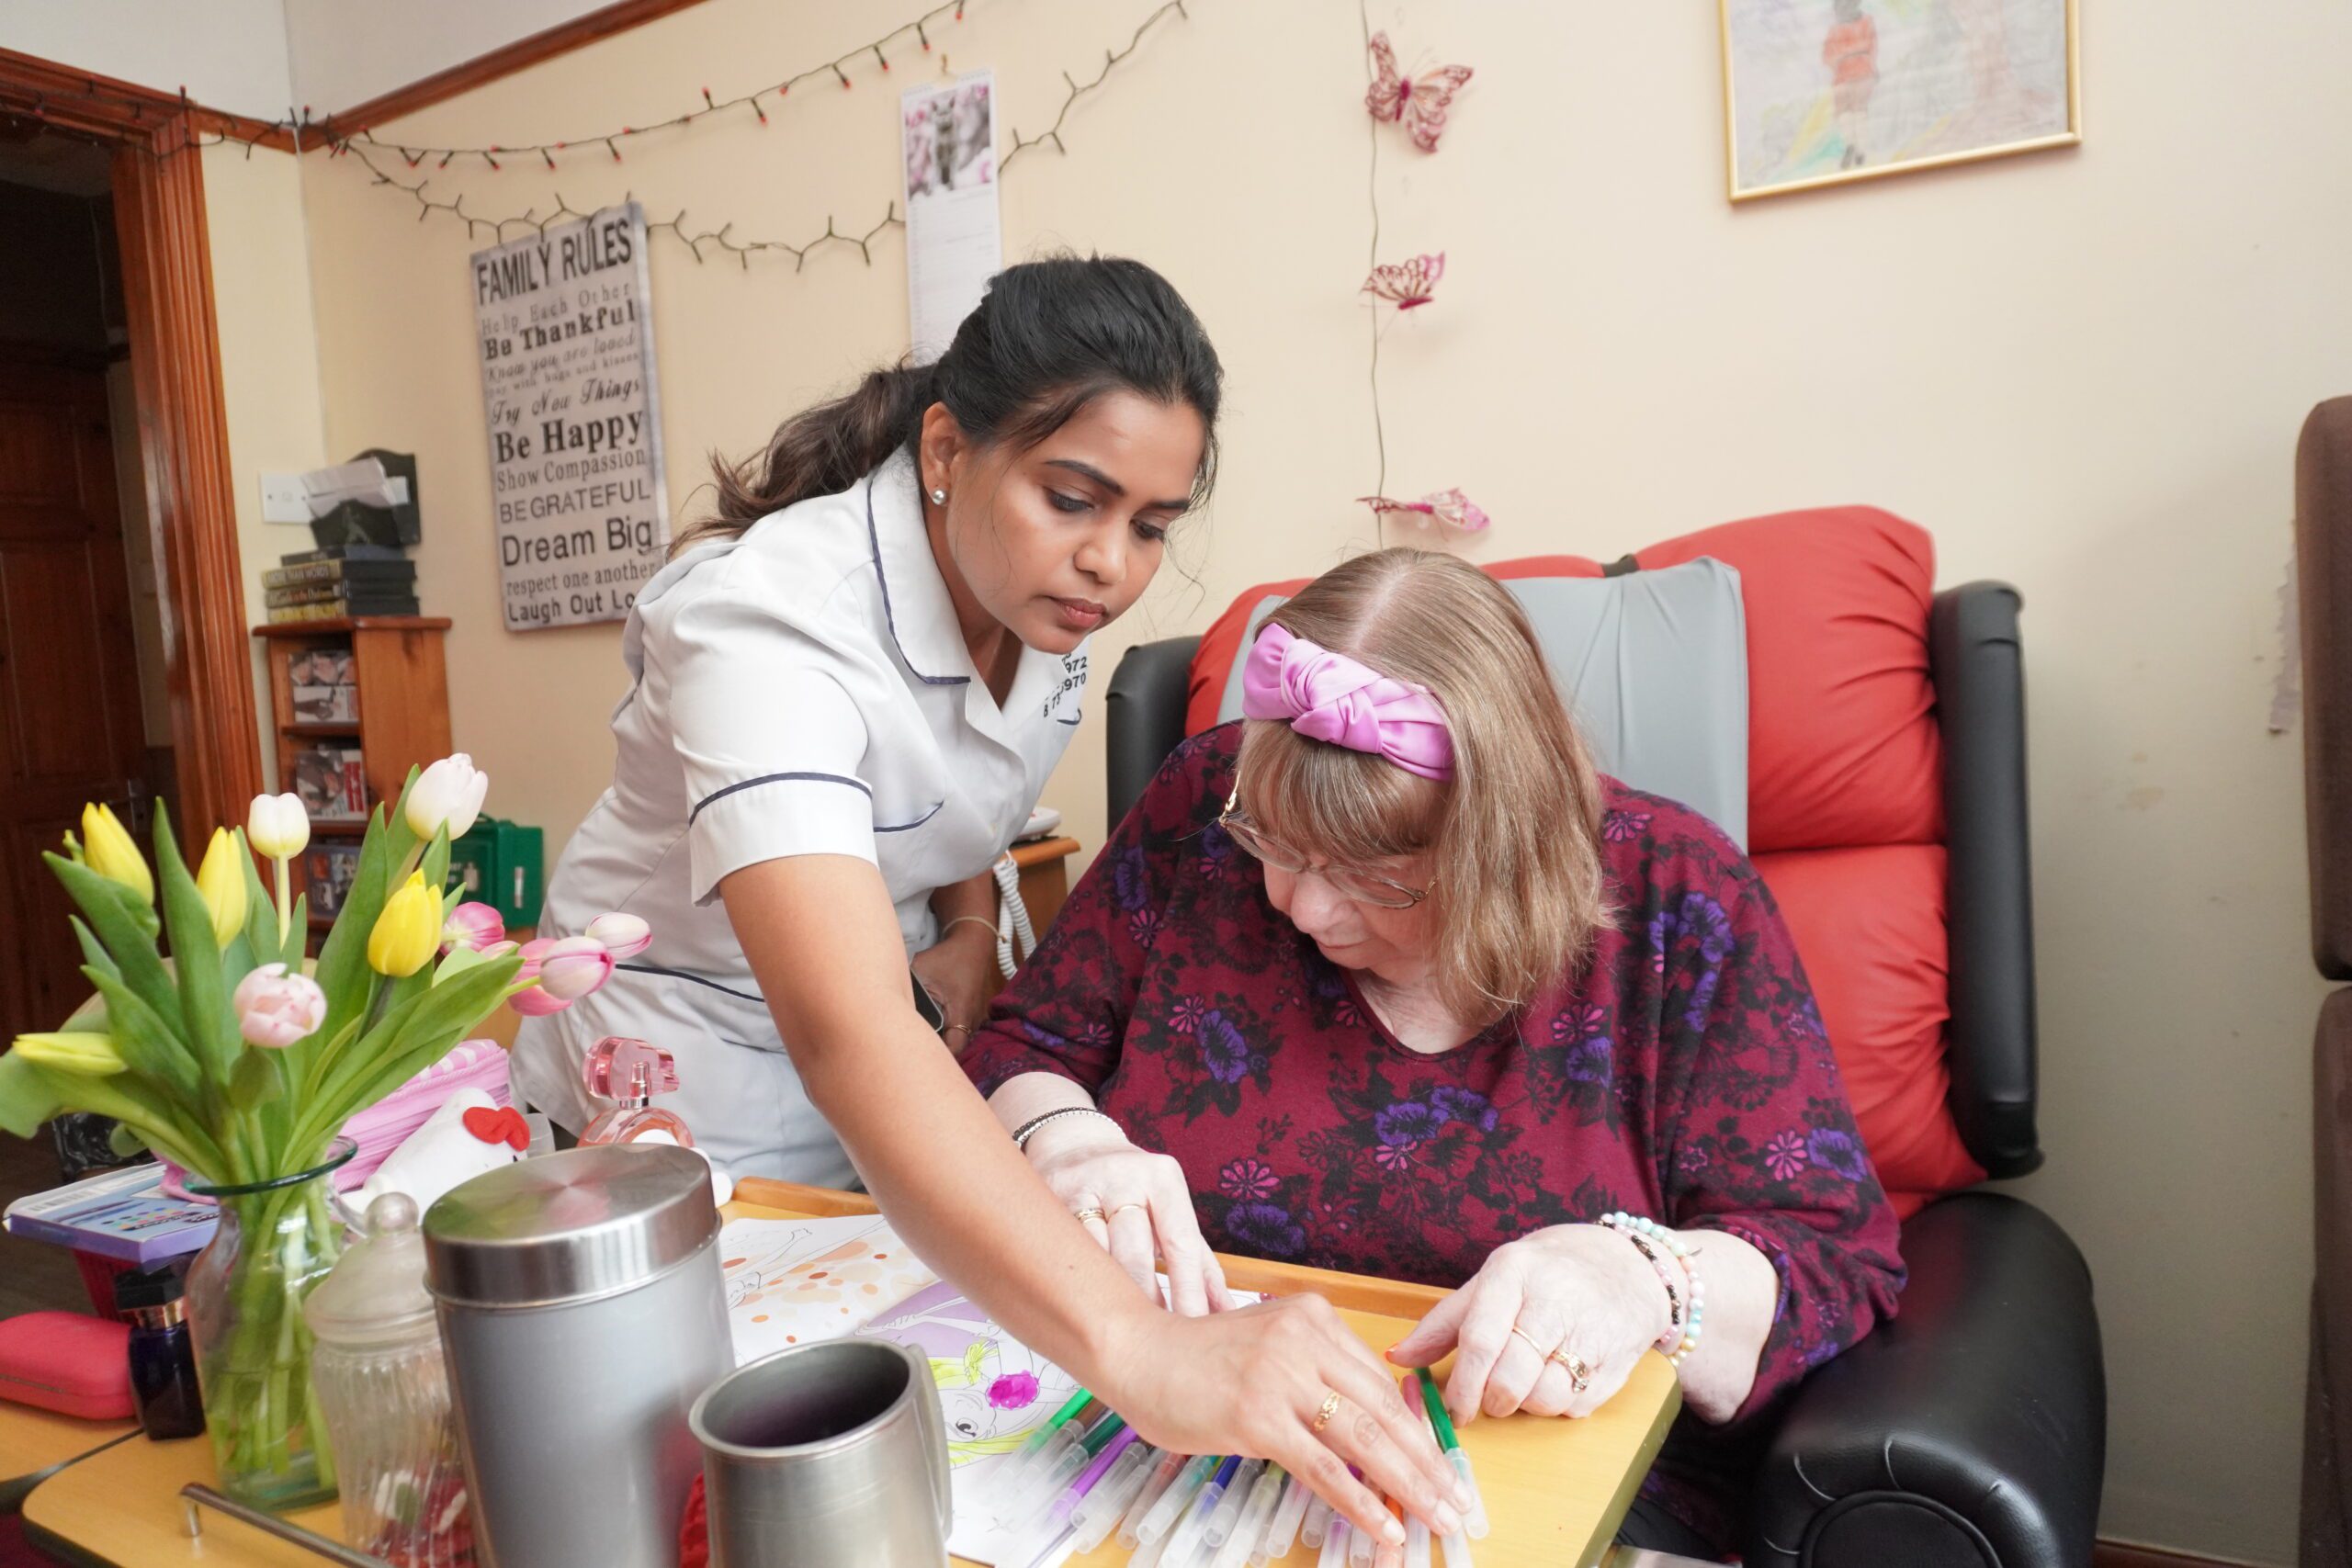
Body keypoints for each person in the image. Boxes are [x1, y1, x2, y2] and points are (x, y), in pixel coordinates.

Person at [513, 257, 1469, 1551]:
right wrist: (1145, 1348)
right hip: (697, 1060)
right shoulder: (761, 627)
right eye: (1074, 497)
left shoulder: (1034, 599)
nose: (1109, 563)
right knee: (724, 1472)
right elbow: (846, 1031)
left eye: (1151, 523)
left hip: (892, 1022)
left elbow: (956, 784)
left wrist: (968, 929)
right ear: (948, 449)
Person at [962, 549, 1905, 1560]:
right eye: (1275, 845)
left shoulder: (1679, 899)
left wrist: (1648, 1275)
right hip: (1155, 1450)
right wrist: (1066, 1138)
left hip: (1515, 1503)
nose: (1306, 907)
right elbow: (1024, 1044)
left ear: (1504, 847)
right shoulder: (1201, 800)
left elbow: (1831, 1264)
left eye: (1375, 878)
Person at [1825, 0, 1880, 170]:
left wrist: (1839, 61)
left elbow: (1827, 56)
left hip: (1842, 74)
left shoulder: (1835, 31)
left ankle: (1851, 144)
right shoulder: (1867, 22)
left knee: (1844, 111)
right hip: (1864, 70)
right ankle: (1860, 149)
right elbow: (1873, 47)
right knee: (1860, 111)